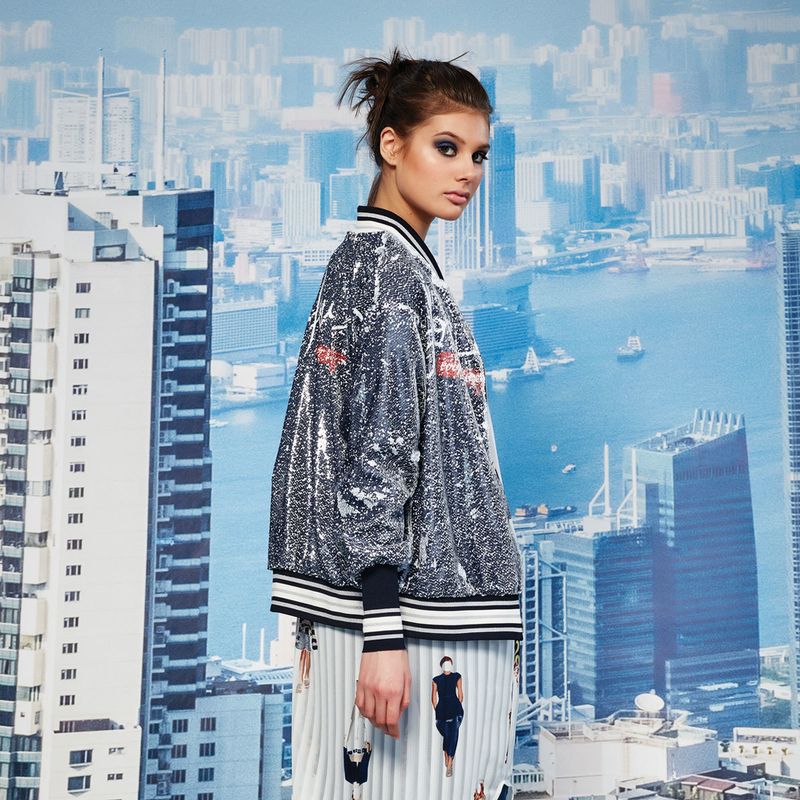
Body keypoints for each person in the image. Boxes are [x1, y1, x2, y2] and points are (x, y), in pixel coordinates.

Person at [268, 46, 523, 799]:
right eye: (446, 147)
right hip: (409, 626)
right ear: (391, 145)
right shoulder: (388, 274)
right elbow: (373, 459)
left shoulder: (385, 264)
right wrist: (383, 633)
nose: (467, 171)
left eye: (478, 153)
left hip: (403, 621)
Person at [431, 656, 464, 777]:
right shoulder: (436, 680)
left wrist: (455, 706)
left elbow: (460, 694)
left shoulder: (457, 676)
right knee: (448, 735)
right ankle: (447, 755)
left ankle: (449, 762)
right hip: (443, 713)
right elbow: (433, 698)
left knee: (453, 735)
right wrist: (438, 710)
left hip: (454, 711)